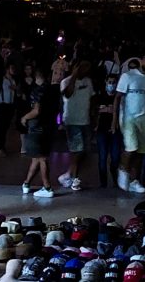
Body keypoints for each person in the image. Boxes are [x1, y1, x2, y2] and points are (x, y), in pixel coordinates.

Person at [112, 54, 145, 194]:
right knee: (131, 148)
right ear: (141, 61)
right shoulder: (128, 76)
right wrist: (114, 119)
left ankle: (134, 181)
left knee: (142, 152)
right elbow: (118, 97)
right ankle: (123, 169)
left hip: (144, 119)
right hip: (129, 118)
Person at [20, 67, 56, 197]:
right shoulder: (52, 90)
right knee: (37, 157)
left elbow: (36, 111)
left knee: (42, 158)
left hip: (36, 128)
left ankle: (47, 187)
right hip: (49, 127)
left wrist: (24, 117)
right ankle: (26, 183)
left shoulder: (38, 91)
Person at [59, 59, 94, 191]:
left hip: (85, 120)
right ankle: (74, 178)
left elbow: (92, 98)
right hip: (72, 121)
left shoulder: (88, 81)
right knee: (76, 150)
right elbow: (67, 94)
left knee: (84, 152)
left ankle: (68, 175)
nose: (85, 70)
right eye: (82, 67)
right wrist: (74, 75)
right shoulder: (66, 81)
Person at [94, 74, 122, 188]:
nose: (111, 85)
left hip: (115, 130)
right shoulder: (99, 96)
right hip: (101, 129)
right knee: (102, 157)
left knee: (115, 156)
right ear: (105, 82)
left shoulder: (119, 97)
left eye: (113, 82)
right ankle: (103, 182)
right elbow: (95, 110)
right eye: (109, 82)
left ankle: (114, 174)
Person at [0, 62, 19, 156]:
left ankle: (1, 145)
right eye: (11, 68)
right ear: (7, 70)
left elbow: (17, 94)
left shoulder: (13, 81)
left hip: (10, 106)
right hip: (2, 105)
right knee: (3, 126)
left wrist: (16, 89)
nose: (13, 70)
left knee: (5, 127)